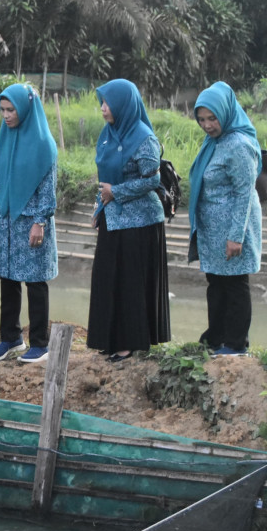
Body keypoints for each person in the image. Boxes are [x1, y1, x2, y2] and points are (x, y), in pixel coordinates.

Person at [86, 78, 171, 361]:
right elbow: (104, 180)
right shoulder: (108, 134)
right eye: (102, 103)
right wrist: (99, 208)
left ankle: (129, 342)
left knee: (129, 283)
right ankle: (108, 339)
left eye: (108, 103)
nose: (103, 109)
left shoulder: (143, 137)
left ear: (123, 104)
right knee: (107, 278)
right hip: (113, 219)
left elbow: (153, 180)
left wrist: (116, 193)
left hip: (140, 224)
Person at [0, 83, 58, 364]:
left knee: (36, 282)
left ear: (25, 109)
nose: (6, 115)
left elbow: (48, 189)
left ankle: (40, 343)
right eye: (2, 110)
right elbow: (2, 172)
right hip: (7, 222)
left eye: (11, 109)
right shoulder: (6, 137)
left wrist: (40, 222)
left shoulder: (42, 144)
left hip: (31, 223)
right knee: (8, 278)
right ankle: (11, 337)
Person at [188, 81, 263, 357]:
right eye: (202, 119)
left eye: (212, 118)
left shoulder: (239, 145)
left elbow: (244, 193)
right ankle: (215, 337)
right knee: (216, 284)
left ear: (225, 114)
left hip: (233, 229)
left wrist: (236, 236)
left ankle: (235, 343)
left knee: (234, 285)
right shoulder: (214, 142)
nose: (207, 125)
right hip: (213, 231)